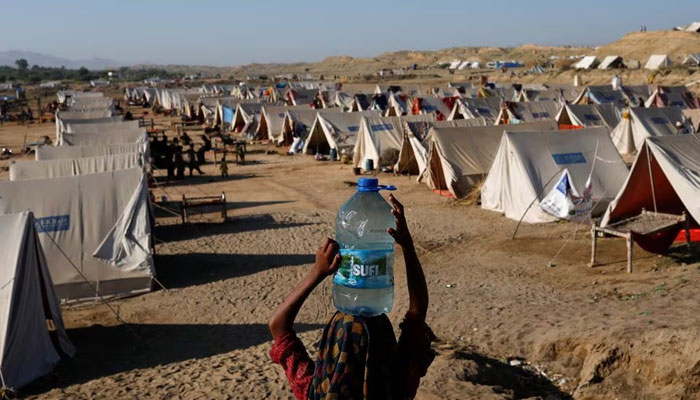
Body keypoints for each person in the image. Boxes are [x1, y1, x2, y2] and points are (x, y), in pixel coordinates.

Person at [269, 195, 435, 399]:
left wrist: (317, 272)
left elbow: (278, 326)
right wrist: (408, 246)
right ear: (384, 348)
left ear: (330, 353)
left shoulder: (314, 392)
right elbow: (417, 313)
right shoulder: (396, 386)